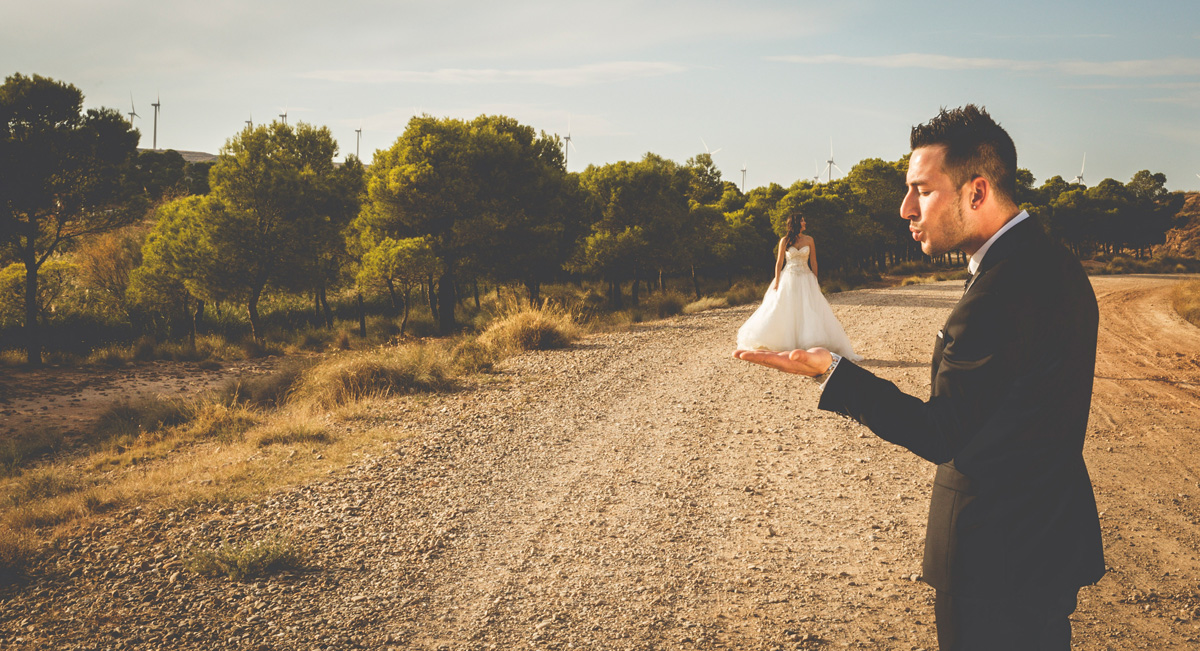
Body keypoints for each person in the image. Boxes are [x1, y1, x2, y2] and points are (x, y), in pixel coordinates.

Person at [733, 105, 1104, 650]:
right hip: (1046, 545)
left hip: (992, 555)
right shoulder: (1055, 264)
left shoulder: (999, 294)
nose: (905, 208)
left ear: (976, 192)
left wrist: (832, 370)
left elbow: (941, 431)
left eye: (921, 191)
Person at [735, 214, 862, 361]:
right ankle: (780, 340)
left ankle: (809, 342)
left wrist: (815, 279)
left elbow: (814, 261)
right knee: (785, 307)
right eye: (802, 220)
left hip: (806, 278)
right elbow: (779, 262)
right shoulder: (784, 240)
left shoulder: (809, 240)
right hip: (788, 277)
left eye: (804, 220)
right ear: (795, 223)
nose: (805, 222)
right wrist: (777, 282)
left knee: (807, 308)